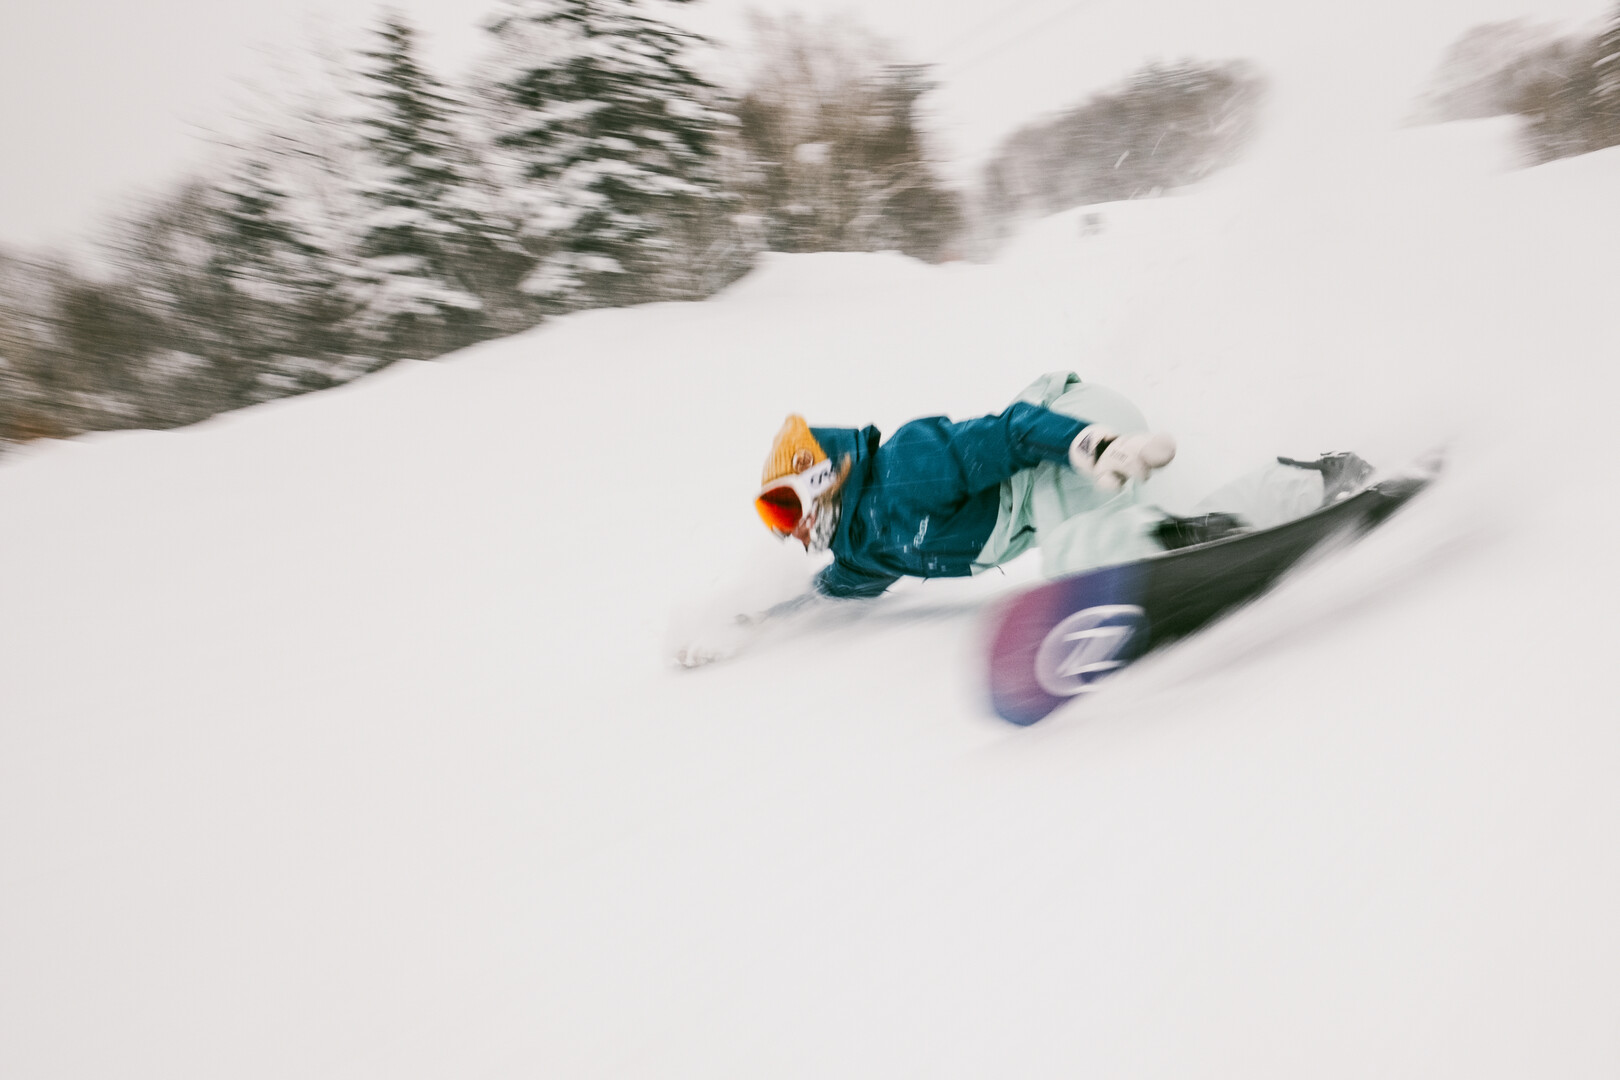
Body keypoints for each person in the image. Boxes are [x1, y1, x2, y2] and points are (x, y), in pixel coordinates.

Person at [755, 371, 1370, 601]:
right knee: (1116, 534)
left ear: (822, 476)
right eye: (774, 521)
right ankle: (1312, 481)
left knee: (1074, 556)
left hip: (1063, 437)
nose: (791, 530)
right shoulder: (861, 548)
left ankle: (1185, 540)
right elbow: (838, 586)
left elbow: (1008, 432)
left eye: (786, 507)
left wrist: (1092, 444)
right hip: (1063, 465)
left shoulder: (903, 468)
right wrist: (762, 616)